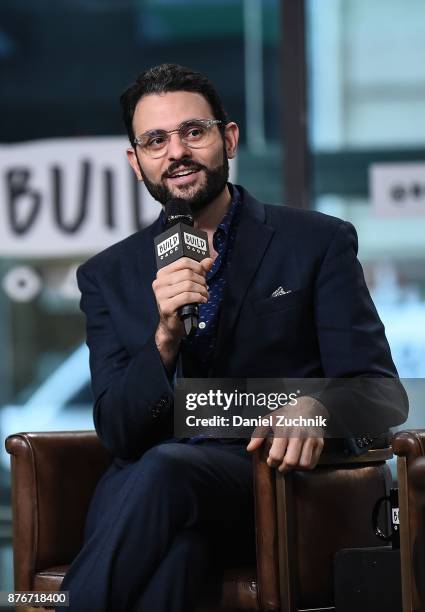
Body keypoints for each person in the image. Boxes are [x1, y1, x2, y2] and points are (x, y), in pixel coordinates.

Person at [58, 63, 407, 612]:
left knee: (166, 469)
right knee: (177, 553)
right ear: (136, 161)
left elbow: (383, 395)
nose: (176, 152)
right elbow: (119, 431)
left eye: (193, 132)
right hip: (153, 500)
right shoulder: (108, 275)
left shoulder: (315, 242)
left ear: (229, 138)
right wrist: (165, 337)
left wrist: (315, 407)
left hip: (272, 488)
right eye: (155, 140)